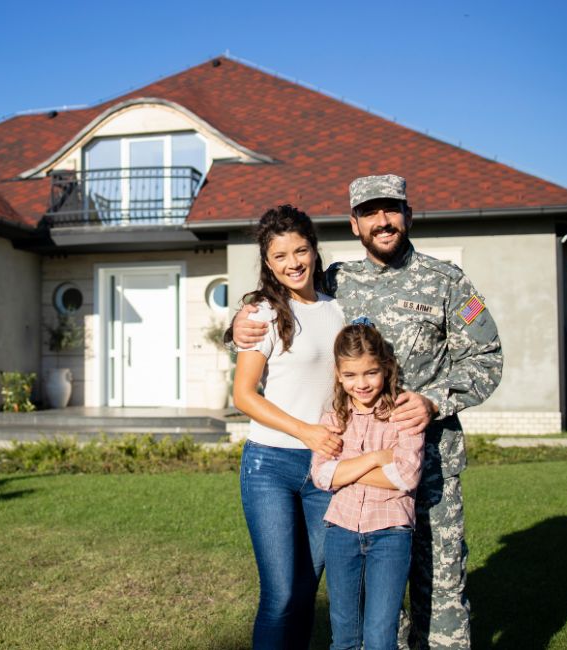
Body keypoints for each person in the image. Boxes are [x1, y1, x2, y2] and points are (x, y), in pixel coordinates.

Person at [233, 174, 503, 649]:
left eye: (392, 209)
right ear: (354, 224)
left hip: (432, 466)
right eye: (371, 213)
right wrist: (235, 324)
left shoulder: (447, 282)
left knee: (439, 586)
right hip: (360, 464)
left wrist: (434, 399)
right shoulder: (339, 282)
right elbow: (280, 300)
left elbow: (487, 358)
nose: (383, 221)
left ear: (409, 216)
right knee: (369, 593)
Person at [232, 204, 346, 648]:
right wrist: (305, 431)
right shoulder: (261, 313)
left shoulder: (339, 309)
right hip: (269, 467)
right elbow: (243, 396)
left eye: (300, 251)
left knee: (305, 591)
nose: (293, 263)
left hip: (324, 468)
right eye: (280, 256)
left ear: (315, 252)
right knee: (279, 594)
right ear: (268, 263)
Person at [311, 321, 425, 650]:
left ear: (385, 368)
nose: (361, 384)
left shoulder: (403, 413)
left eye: (370, 373)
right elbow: (321, 476)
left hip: (390, 533)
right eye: (350, 375)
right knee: (344, 635)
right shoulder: (333, 415)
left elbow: (406, 477)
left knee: (379, 636)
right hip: (341, 532)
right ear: (338, 373)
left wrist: (343, 470)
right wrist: (376, 459)